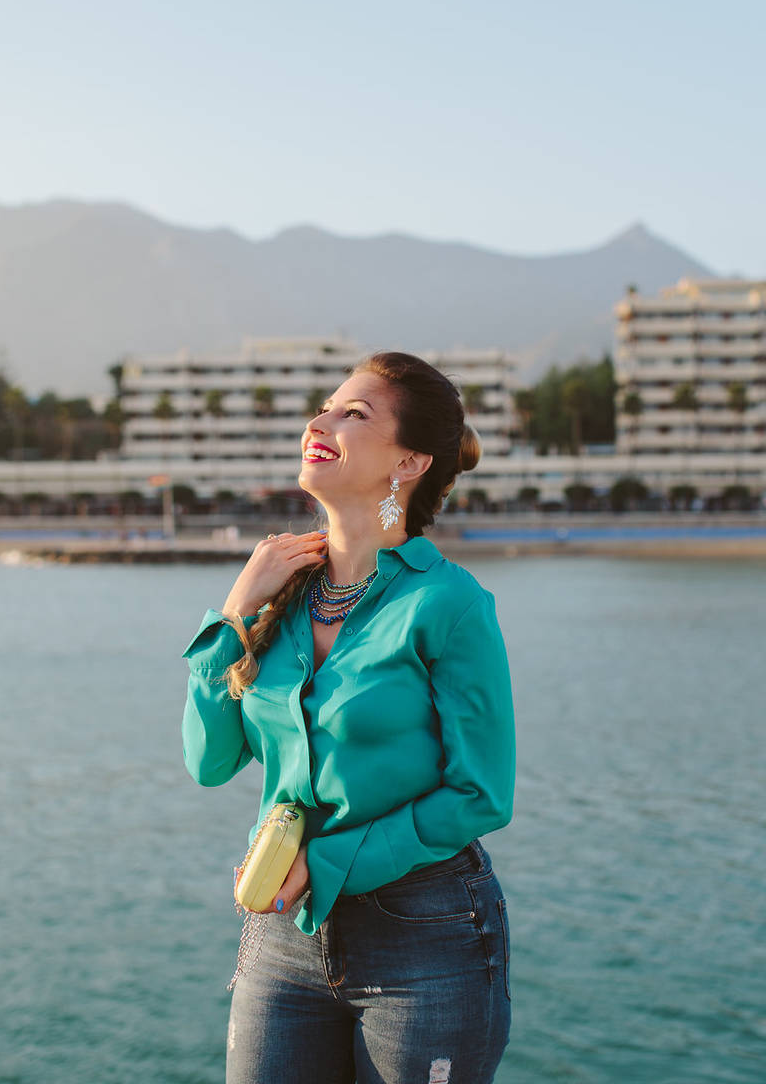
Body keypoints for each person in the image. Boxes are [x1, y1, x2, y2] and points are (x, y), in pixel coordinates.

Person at [180, 350, 517, 1083]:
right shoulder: (280, 593)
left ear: (409, 462)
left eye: (353, 414)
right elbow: (209, 764)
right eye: (326, 406)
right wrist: (235, 613)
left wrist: (324, 861)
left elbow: (481, 793)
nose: (319, 420)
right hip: (282, 935)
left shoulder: (450, 605)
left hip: (424, 935)